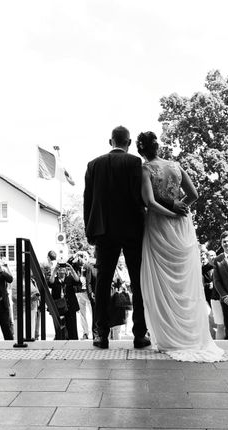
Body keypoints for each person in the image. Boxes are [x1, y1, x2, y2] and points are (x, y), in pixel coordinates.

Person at [137, 131, 224, 362]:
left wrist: (170, 211)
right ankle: (190, 337)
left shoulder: (145, 169)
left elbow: (150, 203)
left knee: (163, 282)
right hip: (183, 226)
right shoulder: (176, 165)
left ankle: (170, 337)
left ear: (141, 150)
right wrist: (180, 209)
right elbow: (194, 194)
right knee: (184, 281)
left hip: (159, 226)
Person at [83, 126, 154, 349]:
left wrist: (90, 231)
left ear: (110, 141)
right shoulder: (135, 164)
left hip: (104, 231)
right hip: (132, 229)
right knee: (137, 282)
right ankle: (139, 334)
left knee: (103, 284)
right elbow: (140, 198)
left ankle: (100, 335)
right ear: (129, 142)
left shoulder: (93, 165)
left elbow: (88, 201)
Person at [48, 262, 80, 340]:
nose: (61, 270)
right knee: (59, 325)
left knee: (72, 326)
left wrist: (71, 269)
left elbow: (77, 280)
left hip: (70, 305)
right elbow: (50, 283)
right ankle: (60, 338)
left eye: (63, 268)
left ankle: (73, 340)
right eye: (59, 269)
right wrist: (55, 270)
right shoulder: (55, 279)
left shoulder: (69, 278)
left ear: (66, 271)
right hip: (58, 306)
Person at [70, 251, 93, 339]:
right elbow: (68, 262)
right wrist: (75, 255)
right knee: (82, 314)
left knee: (92, 312)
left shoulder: (89, 266)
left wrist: (85, 256)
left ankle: (95, 331)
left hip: (87, 292)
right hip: (79, 292)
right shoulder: (76, 266)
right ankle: (85, 333)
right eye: (81, 257)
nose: (82, 259)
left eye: (85, 257)